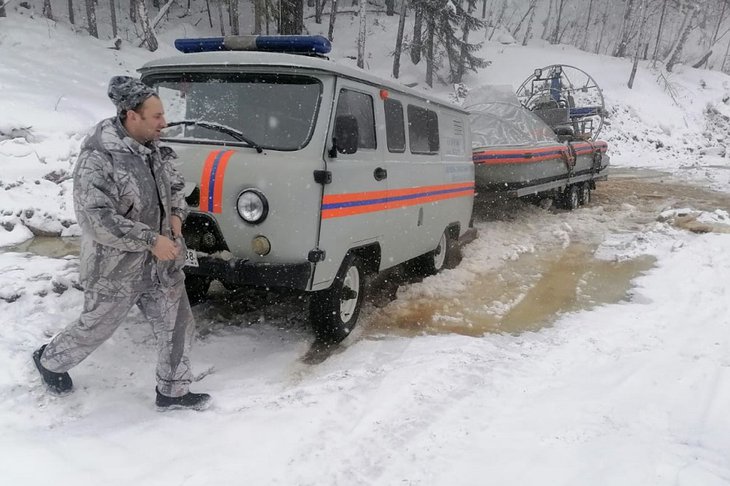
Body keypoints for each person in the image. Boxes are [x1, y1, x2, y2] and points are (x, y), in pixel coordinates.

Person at [32, 76, 211, 411]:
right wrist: (149, 239)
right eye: (156, 116)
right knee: (95, 329)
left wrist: (176, 217)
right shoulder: (98, 158)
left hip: (161, 264)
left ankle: (172, 391)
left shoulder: (153, 148)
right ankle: (50, 360)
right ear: (132, 116)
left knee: (178, 326)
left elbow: (174, 186)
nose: (164, 122)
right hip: (115, 271)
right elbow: (95, 218)